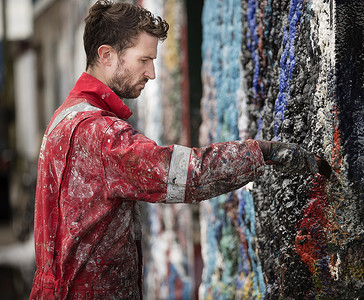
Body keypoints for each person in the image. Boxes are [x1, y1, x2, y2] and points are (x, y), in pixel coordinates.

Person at [30, 1, 331, 299]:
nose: (152, 73)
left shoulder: (66, 116)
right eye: (144, 60)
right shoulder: (100, 133)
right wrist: (261, 152)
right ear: (107, 55)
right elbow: (186, 174)